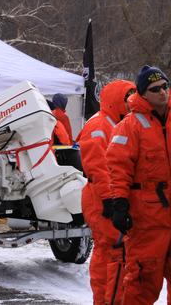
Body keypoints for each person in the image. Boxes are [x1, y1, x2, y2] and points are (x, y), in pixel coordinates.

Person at [106, 66, 171, 304]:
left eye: (165, 86)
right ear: (143, 94)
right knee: (141, 284)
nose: (163, 92)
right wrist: (119, 202)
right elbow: (117, 166)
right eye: (155, 89)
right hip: (147, 221)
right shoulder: (130, 126)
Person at [76, 80, 135, 305]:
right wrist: (110, 199)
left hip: (107, 195)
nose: (130, 103)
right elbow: (97, 166)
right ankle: (106, 300)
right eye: (126, 98)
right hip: (100, 198)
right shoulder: (100, 125)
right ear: (115, 100)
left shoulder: (117, 123)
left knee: (115, 252)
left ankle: (110, 299)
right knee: (111, 251)